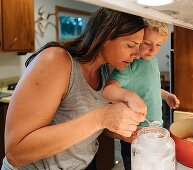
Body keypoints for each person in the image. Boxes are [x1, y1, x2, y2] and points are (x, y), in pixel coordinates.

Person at [3, 8, 147, 169]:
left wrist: (118, 129)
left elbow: (85, 126)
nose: (137, 54)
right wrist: (101, 117)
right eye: (131, 45)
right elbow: (16, 153)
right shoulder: (56, 60)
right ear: (106, 37)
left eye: (139, 45)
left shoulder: (106, 70)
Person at [102, 18, 179, 170]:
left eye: (158, 45)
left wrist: (166, 95)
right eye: (148, 44)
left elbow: (151, 87)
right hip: (135, 134)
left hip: (155, 129)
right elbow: (108, 91)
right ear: (138, 39)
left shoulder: (153, 61)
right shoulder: (130, 65)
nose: (153, 50)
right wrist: (130, 96)